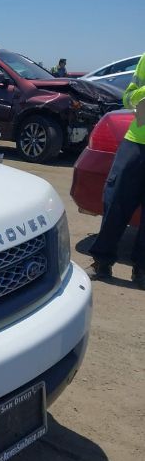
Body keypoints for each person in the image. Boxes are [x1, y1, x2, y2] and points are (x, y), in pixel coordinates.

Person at [87, 52, 145, 289]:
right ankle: (102, 261)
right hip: (136, 141)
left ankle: (141, 269)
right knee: (116, 201)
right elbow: (128, 97)